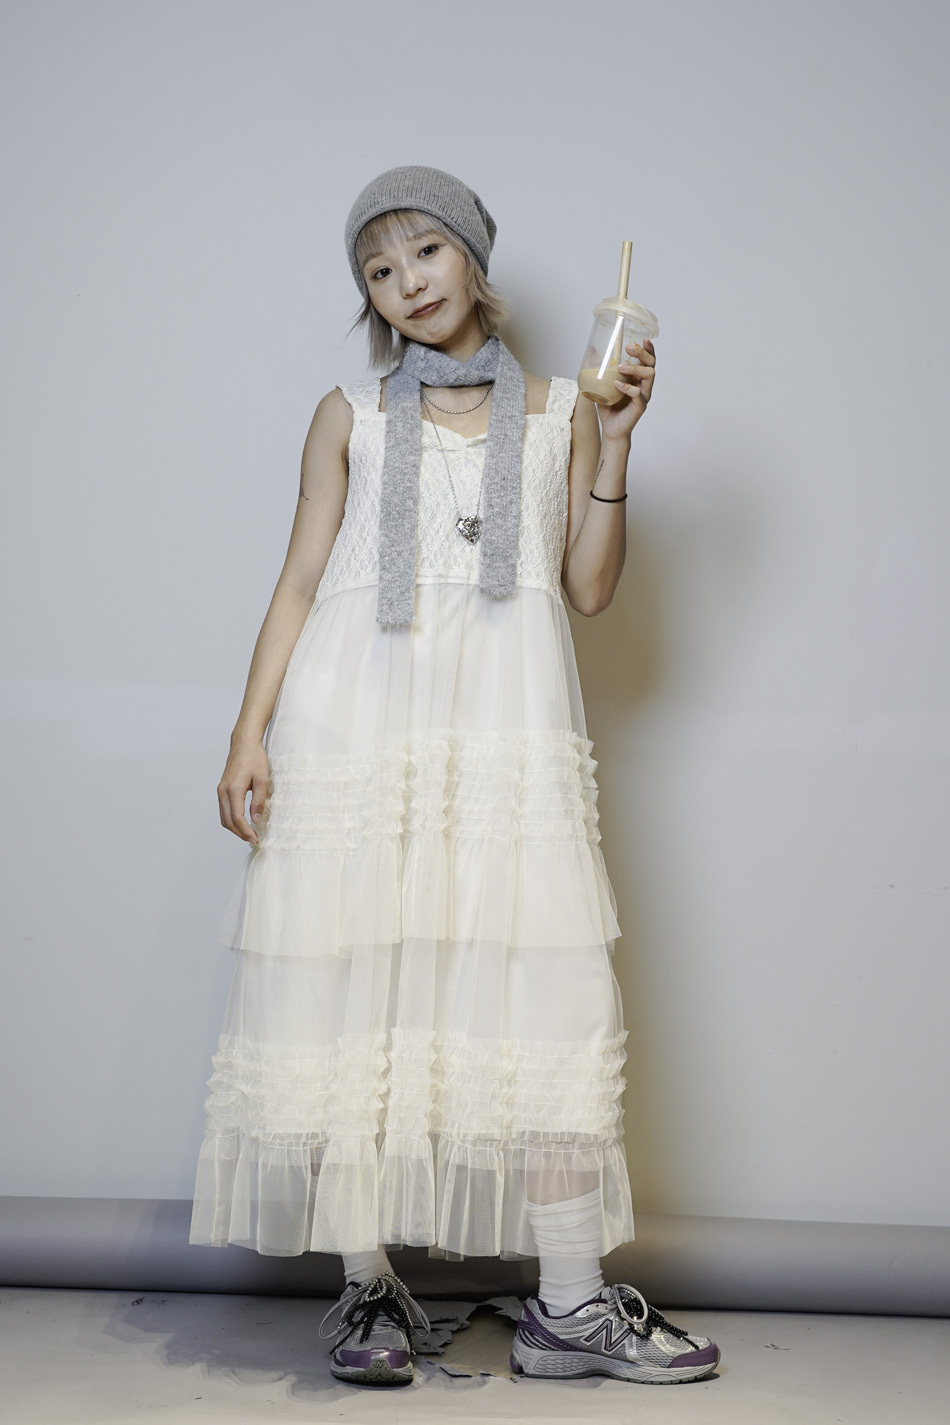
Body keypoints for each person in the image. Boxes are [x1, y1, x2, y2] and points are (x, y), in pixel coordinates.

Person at [189, 164, 720, 1388]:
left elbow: (586, 588)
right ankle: (367, 1282)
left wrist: (614, 444)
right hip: (354, 732)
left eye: (424, 251)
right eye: (378, 269)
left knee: (542, 1001)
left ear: (473, 258)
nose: (405, 281)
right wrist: (248, 732)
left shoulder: (561, 407)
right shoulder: (348, 415)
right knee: (352, 991)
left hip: (502, 740)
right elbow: (299, 579)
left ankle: (569, 1307)